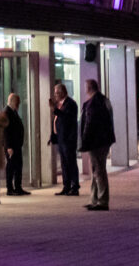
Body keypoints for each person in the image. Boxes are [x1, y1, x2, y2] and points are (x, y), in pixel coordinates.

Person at [79, 78, 115, 211]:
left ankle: (102, 201)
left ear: (88, 88)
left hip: (96, 142)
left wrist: (84, 141)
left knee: (99, 171)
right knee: (96, 170)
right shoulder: (103, 100)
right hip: (103, 141)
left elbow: (89, 124)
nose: (84, 89)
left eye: (85, 87)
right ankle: (95, 199)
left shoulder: (93, 104)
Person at [48, 82, 79, 196]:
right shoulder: (59, 104)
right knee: (64, 163)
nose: (55, 95)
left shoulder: (70, 103)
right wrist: (53, 135)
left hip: (68, 139)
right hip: (61, 138)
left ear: (62, 92)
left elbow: (67, 118)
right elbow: (56, 121)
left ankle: (74, 187)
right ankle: (66, 186)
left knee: (70, 162)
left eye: (56, 93)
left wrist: (54, 110)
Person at [2, 92, 29, 196]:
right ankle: (10, 189)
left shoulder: (13, 111)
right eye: (18, 102)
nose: (19, 104)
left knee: (18, 166)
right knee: (11, 167)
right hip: (11, 146)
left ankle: (18, 187)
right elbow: (5, 131)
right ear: (13, 101)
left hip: (16, 145)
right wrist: (8, 146)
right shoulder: (6, 112)